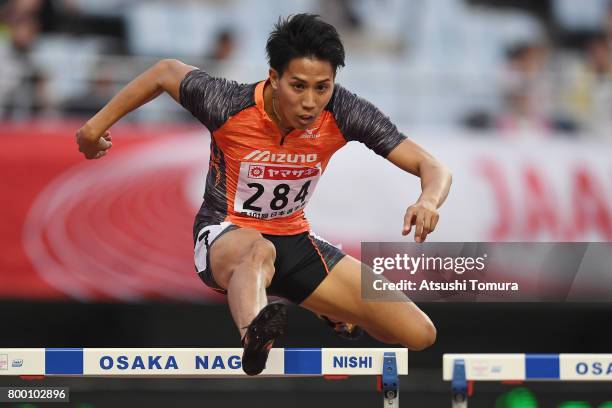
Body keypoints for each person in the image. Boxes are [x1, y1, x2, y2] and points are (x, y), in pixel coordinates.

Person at [76, 14, 452, 376]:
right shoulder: (229, 103)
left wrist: (428, 200)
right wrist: (94, 128)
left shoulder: (345, 110)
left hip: (296, 241)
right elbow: (165, 72)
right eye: (298, 86)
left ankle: (331, 311)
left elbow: (433, 167)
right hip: (225, 236)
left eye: (322, 87)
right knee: (258, 250)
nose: (310, 102)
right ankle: (255, 339)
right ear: (274, 77)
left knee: (419, 334)